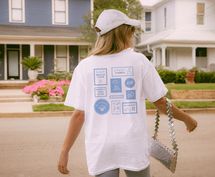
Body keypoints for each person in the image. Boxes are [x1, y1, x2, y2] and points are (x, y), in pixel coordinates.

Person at [57, 9, 197, 177]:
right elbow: (160, 102)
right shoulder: (138, 61)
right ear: (124, 33)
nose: (132, 36)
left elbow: (79, 114)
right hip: (133, 145)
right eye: (131, 32)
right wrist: (187, 119)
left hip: (101, 147)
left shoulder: (85, 67)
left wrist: (64, 151)